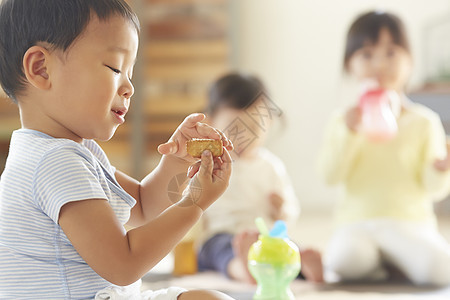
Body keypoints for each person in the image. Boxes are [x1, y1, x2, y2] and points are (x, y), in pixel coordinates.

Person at [0, 1, 235, 299]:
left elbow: (142, 206)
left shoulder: (75, 152)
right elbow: (123, 264)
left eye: (130, 73)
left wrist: (175, 162)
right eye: (114, 68)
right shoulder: (54, 162)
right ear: (41, 69)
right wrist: (194, 204)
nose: (129, 87)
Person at [318, 11, 450, 286]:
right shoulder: (342, 121)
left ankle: (392, 261)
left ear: (410, 61)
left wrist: (441, 168)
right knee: (344, 261)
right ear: (349, 64)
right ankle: (389, 265)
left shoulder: (424, 121)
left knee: (441, 270)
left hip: (409, 223)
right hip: (357, 223)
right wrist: (349, 133)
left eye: (391, 53)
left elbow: (434, 189)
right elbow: (331, 177)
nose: (379, 63)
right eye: (366, 54)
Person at [197, 73, 324, 284]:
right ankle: (243, 266)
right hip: (221, 235)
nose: (245, 138)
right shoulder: (207, 164)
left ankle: (304, 266)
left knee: (286, 247)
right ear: (210, 122)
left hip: (266, 236)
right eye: (234, 129)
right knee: (218, 251)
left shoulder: (270, 166)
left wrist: (281, 210)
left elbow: (289, 211)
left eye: (254, 128)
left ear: (269, 124)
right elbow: (189, 207)